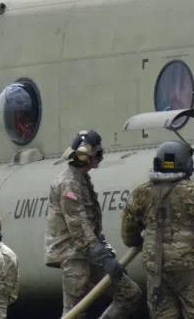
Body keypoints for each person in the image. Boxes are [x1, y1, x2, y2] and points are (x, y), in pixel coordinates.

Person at [121, 140, 194, 319]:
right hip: (189, 267)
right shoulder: (193, 191)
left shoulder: (141, 193)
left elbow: (128, 235)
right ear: (186, 164)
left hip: (156, 271)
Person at [45, 129, 142, 319]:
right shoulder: (69, 183)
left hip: (90, 255)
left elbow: (91, 226)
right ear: (85, 156)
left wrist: (106, 254)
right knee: (74, 312)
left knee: (129, 294)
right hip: (75, 258)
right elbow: (79, 228)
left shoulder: (82, 179)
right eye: (97, 154)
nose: (100, 158)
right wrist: (106, 260)